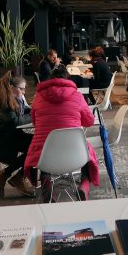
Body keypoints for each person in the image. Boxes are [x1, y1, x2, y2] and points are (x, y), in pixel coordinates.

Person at [25, 66, 100, 200]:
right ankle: (84, 186)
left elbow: (35, 123)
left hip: (46, 157)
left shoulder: (38, 97)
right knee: (87, 152)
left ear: (50, 79)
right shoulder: (77, 96)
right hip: (75, 153)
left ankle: (46, 183)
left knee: (44, 144)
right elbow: (89, 121)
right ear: (68, 79)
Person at [0, 72, 33, 199]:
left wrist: (37, 109)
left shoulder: (14, 99)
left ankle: (15, 176)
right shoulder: (2, 100)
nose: (24, 92)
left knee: (38, 144)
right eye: (21, 88)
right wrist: (34, 115)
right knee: (37, 147)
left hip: (9, 137)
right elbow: (14, 121)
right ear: (11, 88)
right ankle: (6, 176)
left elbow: (23, 112)